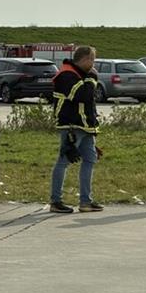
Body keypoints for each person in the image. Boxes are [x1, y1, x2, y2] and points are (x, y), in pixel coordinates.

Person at [49, 45, 103, 213]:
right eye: (92, 59)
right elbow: (83, 96)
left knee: (89, 160)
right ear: (85, 59)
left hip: (86, 127)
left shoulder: (82, 75)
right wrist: (92, 78)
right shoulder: (66, 75)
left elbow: (89, 103)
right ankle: (55, 201)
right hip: (71, 126)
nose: (93, 64)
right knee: (63, 162)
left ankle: (86, 201)